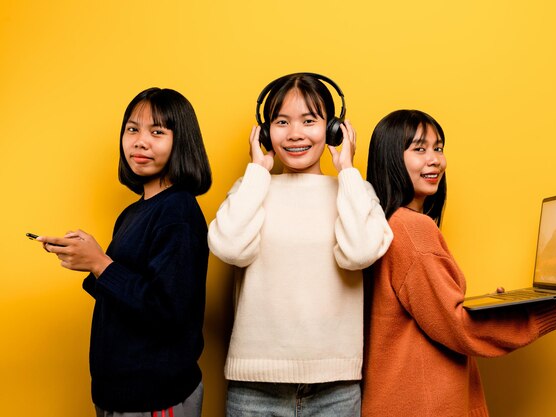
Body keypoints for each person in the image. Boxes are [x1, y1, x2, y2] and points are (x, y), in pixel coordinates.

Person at [362, 109, 556, 417]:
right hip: (421, 407)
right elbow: (458, 328)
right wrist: (538, 313)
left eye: (438, 147)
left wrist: (495, 308)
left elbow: (432, 315)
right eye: (419, 149)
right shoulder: (412, 229)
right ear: (390, 158)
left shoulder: (382, 225)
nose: (435, 159)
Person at [208, 72, 393, 416]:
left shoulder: (354, 192)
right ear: (264, 133)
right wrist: (257, 172)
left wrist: (348, 171)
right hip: (254, 389)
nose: (295, 134)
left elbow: (360, 253)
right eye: (281, 122)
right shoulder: (251, 188)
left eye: (309, 121)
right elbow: (229, 247)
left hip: (335, 389)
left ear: (334, 129)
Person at [37, 88, 212, 417]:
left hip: (155, 397)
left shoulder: (178, 211)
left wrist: (100, 263)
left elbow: (168, 312)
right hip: (115, 395)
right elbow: (126, 298)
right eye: (132, 129)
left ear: (182, 141)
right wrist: (88, 260)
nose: (140, 141)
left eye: (157, 131)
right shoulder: (132, 213)